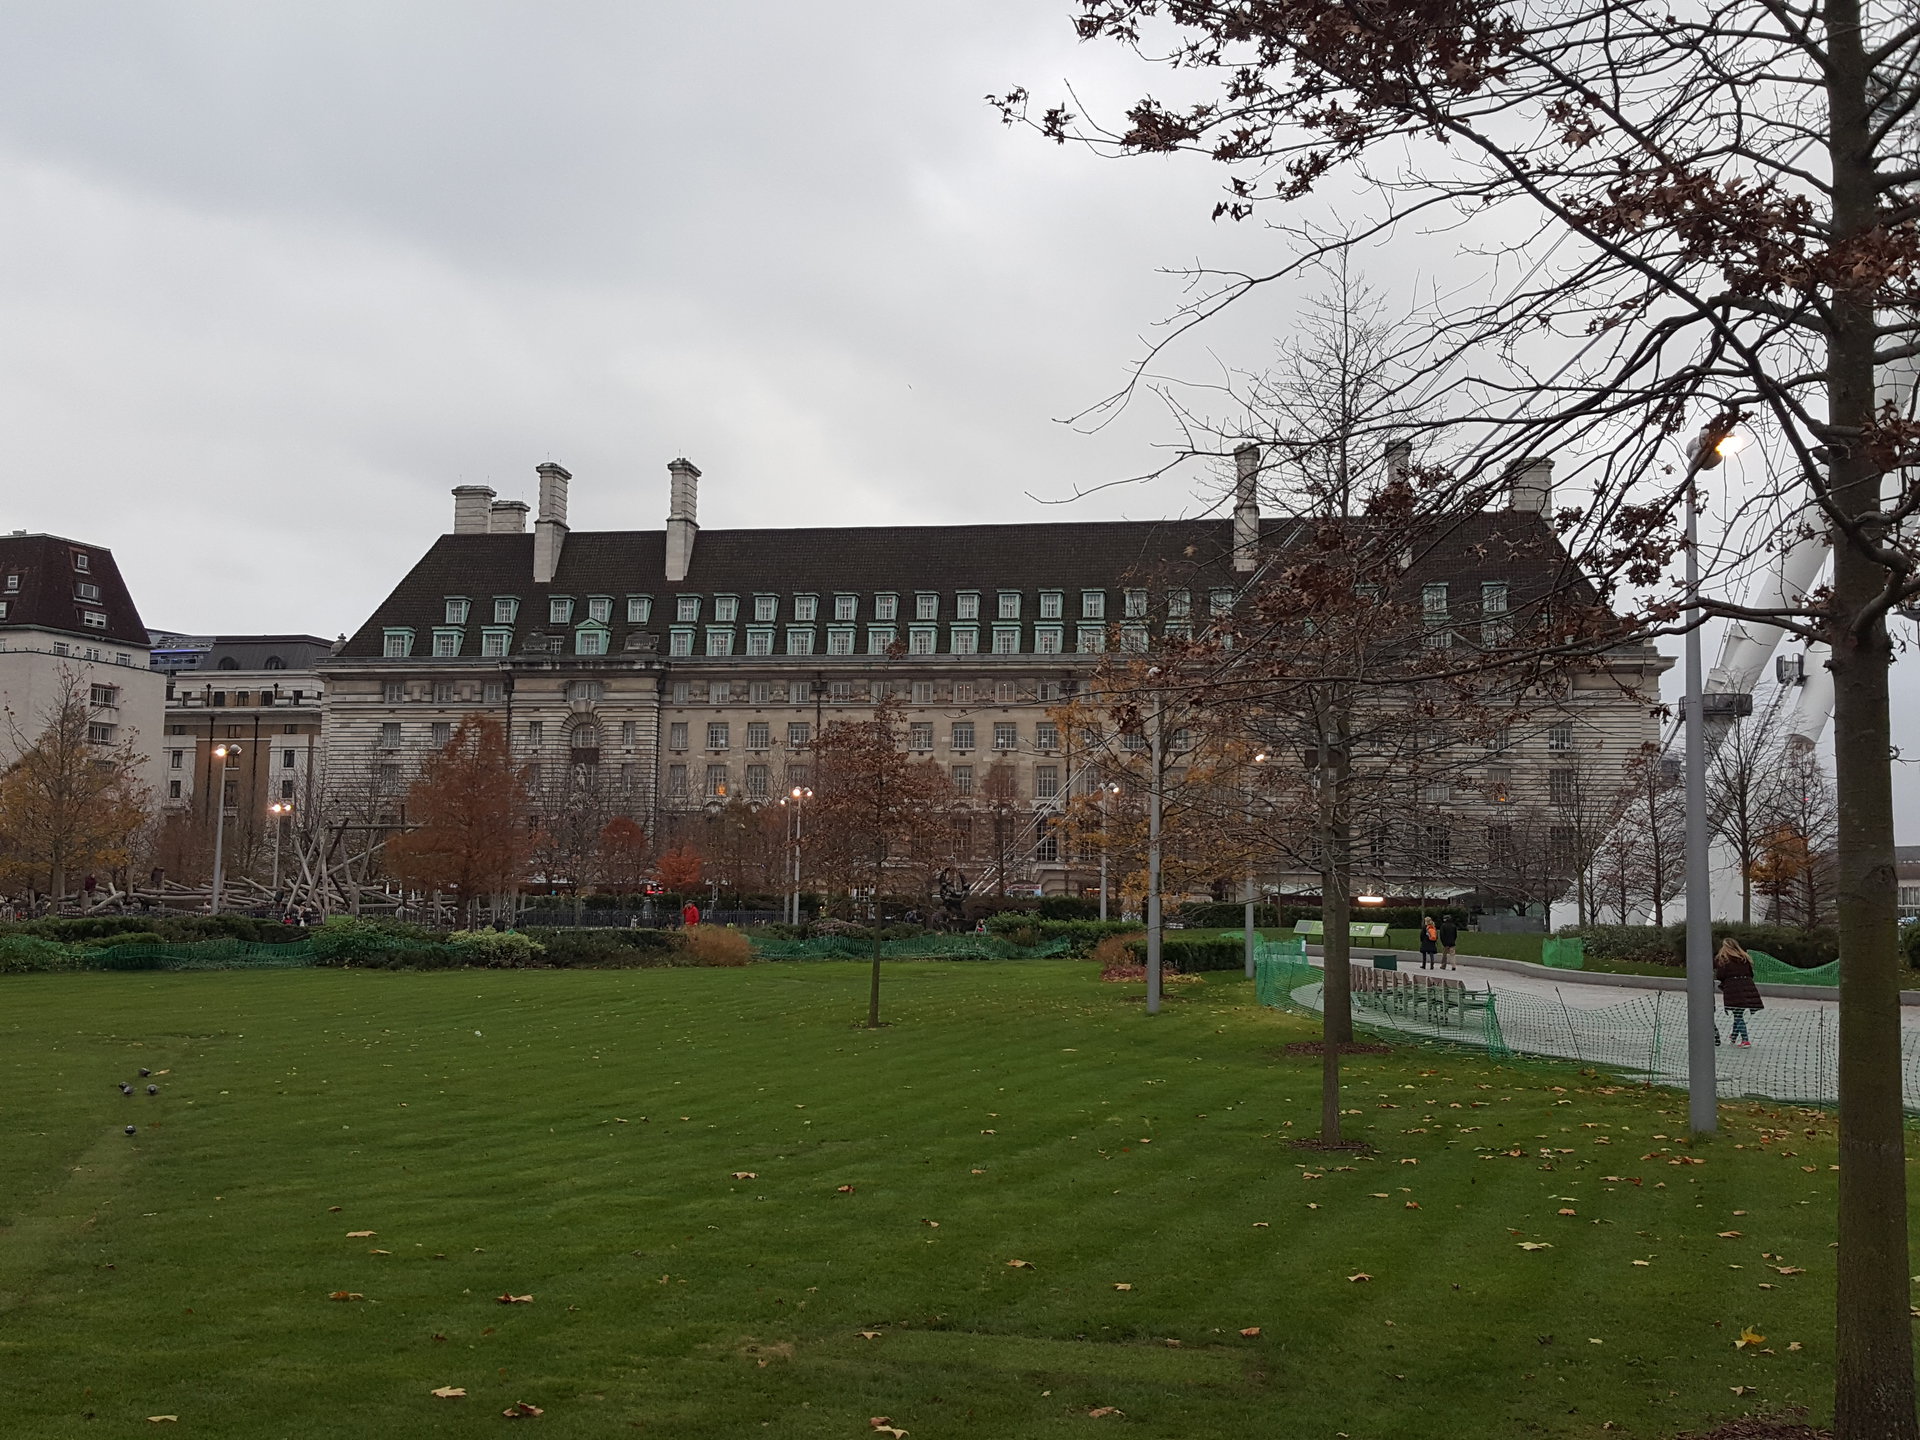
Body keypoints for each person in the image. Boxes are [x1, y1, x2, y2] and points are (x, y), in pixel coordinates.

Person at [1714, 937, 1764, 1047]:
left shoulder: (1723, 959)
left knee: (1737, 1014)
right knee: (1738, 1012)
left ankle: (1745, 1040)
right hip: (1747, 986)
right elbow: (1751, 974)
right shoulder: (1744, 958)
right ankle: (1733, 1036)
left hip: (1733, 988)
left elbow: (1720, 975)